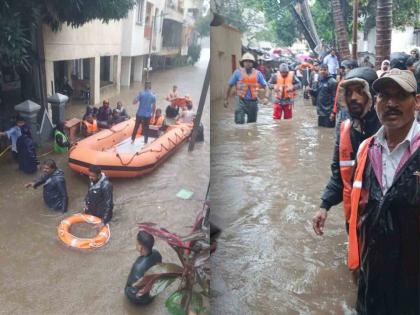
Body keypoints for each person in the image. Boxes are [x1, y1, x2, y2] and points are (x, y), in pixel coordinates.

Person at [348, 69, 420, 314]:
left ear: (417, 101)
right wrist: (356, 262)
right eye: (384, 96)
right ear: (375, 102)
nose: (391, 103)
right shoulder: (366, 149)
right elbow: (360, 212)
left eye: (400, 96)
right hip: (373, 277)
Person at [312, 67, 381, 235]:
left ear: (372, 96)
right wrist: (324, 206)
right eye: (349, 93)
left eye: (360, 91)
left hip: (384, 223)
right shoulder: (345, 130)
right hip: (355, 220)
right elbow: (339, 175)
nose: (353, 98)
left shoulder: (388, 131)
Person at [224, 52, 269, 124]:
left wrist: (266, 97)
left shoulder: (258, 74)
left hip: (253, 102)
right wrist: (226, 99)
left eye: (250, 61)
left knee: (252, 124)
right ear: (242, 63)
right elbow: (230, 86)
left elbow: (266, 87)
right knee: (239, 122)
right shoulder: (237, 73)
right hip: (241, 101)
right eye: (245, 61)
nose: (247, 63)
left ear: (253, 63)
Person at [125, 231, 162, 305]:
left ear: (140, 246)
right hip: (153, 293)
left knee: (127, 290)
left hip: (142, 300)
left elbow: (131, 286)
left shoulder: (138, 266)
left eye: (136, 242)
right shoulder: (157, 253)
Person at [331, 60, 359, 135]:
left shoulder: (355, 82)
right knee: (339, 131)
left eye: (344, 68)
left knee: (346, 132)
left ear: (351, 68)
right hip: (340, 110)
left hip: (348, 111)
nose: (342, 70)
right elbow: (337, 96)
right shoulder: (343, 79)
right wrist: (334, 111)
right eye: (342, 68)